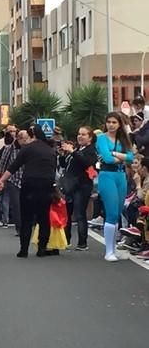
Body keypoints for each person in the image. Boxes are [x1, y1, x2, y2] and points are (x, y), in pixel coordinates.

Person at [0, 125, 57, 258]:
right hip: (46, 185)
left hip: (29, 185)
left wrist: (1, 180)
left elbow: (13, 167)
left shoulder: (27, 149)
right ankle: (42, 248)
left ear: (31, 136)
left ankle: (23, 249)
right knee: (44, 218)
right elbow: (53, 169)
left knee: (26, 218)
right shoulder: (50, 150)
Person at [95, 111, 135, 262]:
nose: (111, 125)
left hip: (121, 176)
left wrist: (115, 154)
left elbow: (131, 157)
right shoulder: (101, 138)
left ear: (119, 124)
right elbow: (106, 158)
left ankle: (113, 249)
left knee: (117, 212)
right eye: (109, 122)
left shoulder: (124, 139)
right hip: (107, 175)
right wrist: (121, 156)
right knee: (111, 212)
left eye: (114, 122)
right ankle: (109, 251)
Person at [58, 127, 98, 250]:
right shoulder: (78, 149)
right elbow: (66, 164)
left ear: (90, 137)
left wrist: (73, 152)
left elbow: (86, 163)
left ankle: (82, 242)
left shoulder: (91, 150)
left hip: (82, 185)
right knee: (67, 214)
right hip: (70, 185)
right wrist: (62, 155)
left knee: (80, 214)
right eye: (79, 134)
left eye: (83, 134)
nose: (80, 136)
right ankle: (66, 240)